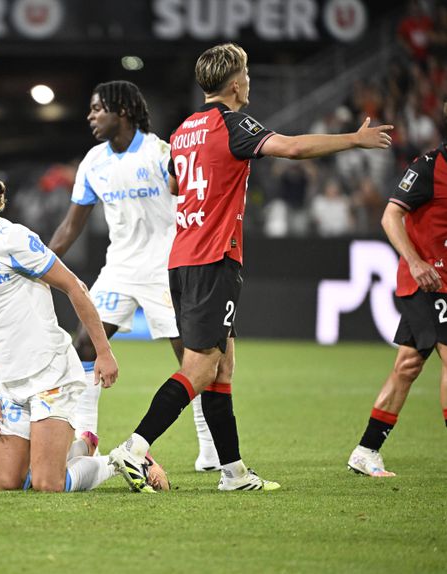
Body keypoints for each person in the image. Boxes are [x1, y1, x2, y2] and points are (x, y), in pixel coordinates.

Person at [108, 42, 392, 492]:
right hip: (214, 258)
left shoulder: (184, 130)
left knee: (222, 369)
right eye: (248, 74)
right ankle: (134, 448)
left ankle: (234, 473)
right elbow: (293, 148)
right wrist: (354, 140)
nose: (249, 82)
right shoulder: (233, 122)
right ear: (236, 83)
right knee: (200, 370)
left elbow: (175, 181)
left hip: (182, 257)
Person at [0, 167, 165, 494]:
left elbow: (75, 287)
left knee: (48, 484)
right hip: (9, 382)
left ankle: (123, 460)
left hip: (50, 375)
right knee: (8, 483)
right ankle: (82, 448)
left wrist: (103, 351)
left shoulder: (13, 239)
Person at [48, 80, 219, 472]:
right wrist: (41, 263)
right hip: (120, 269)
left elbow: (194, 204)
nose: (90, 116)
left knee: (190, 359)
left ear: (122, 111)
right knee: (86, 344)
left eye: (97, 109)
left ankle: (208, 448)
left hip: (166, 267)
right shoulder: (94, 161)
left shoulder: (162, 154)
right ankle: (86, 436)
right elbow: (71, 226)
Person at [347, 100, 447, 477]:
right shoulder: (429, 167)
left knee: (407, 365)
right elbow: (391, 216)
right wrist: (416, 261)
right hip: (429, 281)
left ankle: (366, 450)